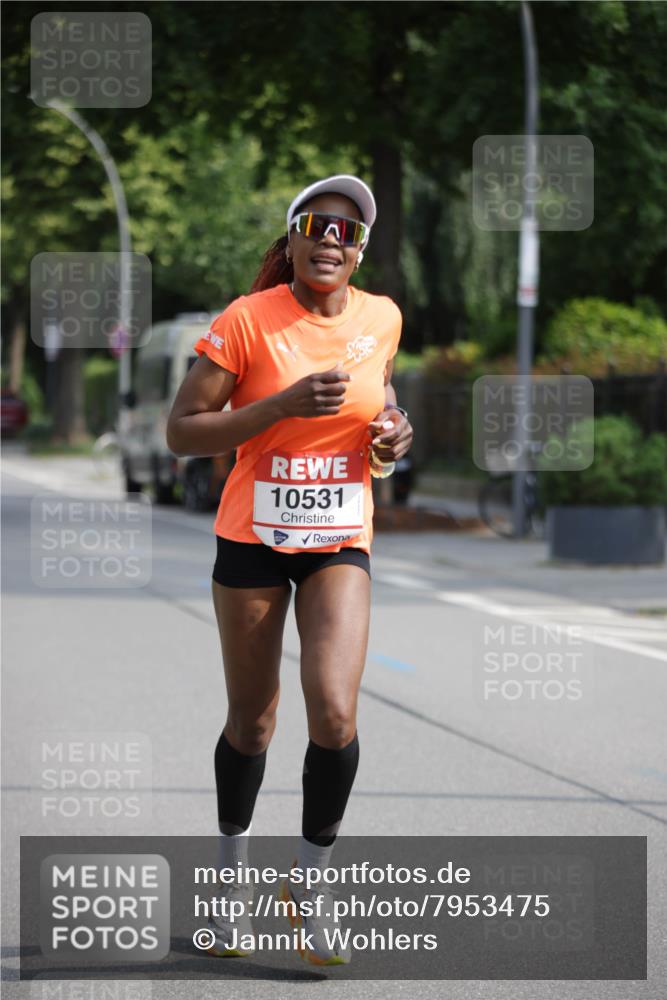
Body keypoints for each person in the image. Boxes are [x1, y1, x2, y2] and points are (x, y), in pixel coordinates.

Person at [167, 174, 413, 965]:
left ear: (360, 247)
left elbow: (379, 408)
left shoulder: (382, 318)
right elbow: (182, 433)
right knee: (255, 722)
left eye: (347, 231)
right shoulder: (247, 321)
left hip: (341, 534)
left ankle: (311, 886)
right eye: (316, 225)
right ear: (294, 237)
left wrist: (392, 436)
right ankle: (228, 885)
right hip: (252, 539)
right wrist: (278, 407)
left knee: (335, 713)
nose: (331, 240)